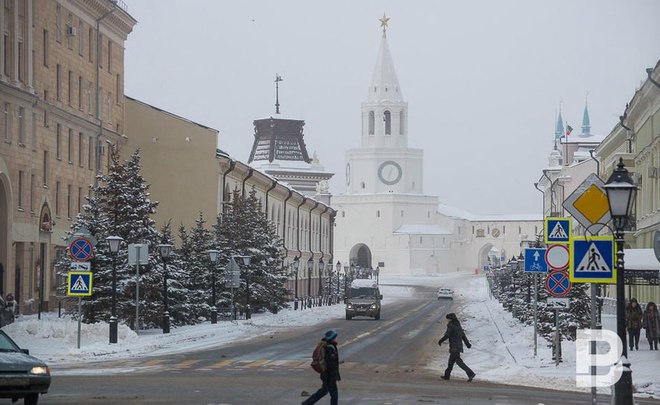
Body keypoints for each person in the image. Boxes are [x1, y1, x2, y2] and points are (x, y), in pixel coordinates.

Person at [302, 330, 340, 405]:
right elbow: (330, 364)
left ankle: (307, 403)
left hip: (325, 374)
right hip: (329, 375)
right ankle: (307, 403)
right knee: (334, 394)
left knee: (324, 391)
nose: (336, 339)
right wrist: (334, 376)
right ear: (332, 338)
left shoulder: (326, 345)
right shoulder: (330, 348)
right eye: (335, 337)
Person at [438, 313, 475, 382]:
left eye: (448, 319)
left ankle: (470, 373)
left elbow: (447, 335)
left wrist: (440, 341)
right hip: (458, 346)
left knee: (459, 362)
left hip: (454, 347)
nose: (447, 321)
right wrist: (467, 344)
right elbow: (463, 335)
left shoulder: (451, 326)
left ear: (450, 319)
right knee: (451, 362)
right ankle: (446, 376)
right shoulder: (458, 325)